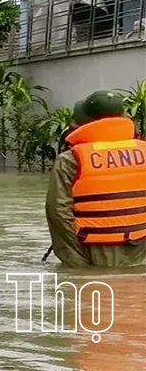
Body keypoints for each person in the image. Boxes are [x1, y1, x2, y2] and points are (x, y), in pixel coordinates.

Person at [45, 90, 146, 267]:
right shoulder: (144, 152)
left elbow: (58, 213)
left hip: (92, 250)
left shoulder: (71, 159)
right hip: (141, 249)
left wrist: (77, 262)